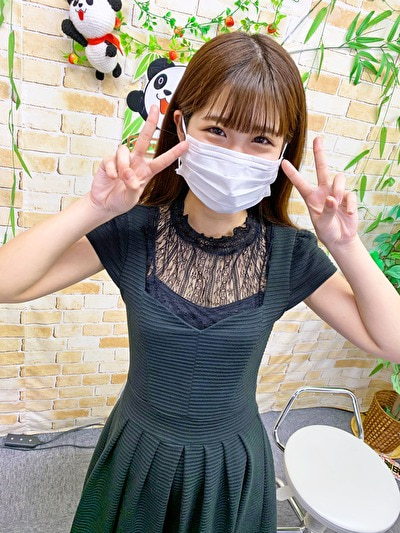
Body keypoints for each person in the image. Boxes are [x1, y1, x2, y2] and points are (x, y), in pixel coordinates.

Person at [0, 31, 399, 533]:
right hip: (137, 452)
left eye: (261, 140)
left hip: (230, 466)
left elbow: (392, 342)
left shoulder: (288, 254)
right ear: (182, 125)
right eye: (217, 130)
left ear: (284, 151)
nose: (236, 153)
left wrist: (345, 245)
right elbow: (8, 284)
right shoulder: (136, 230)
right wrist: (94, 208)